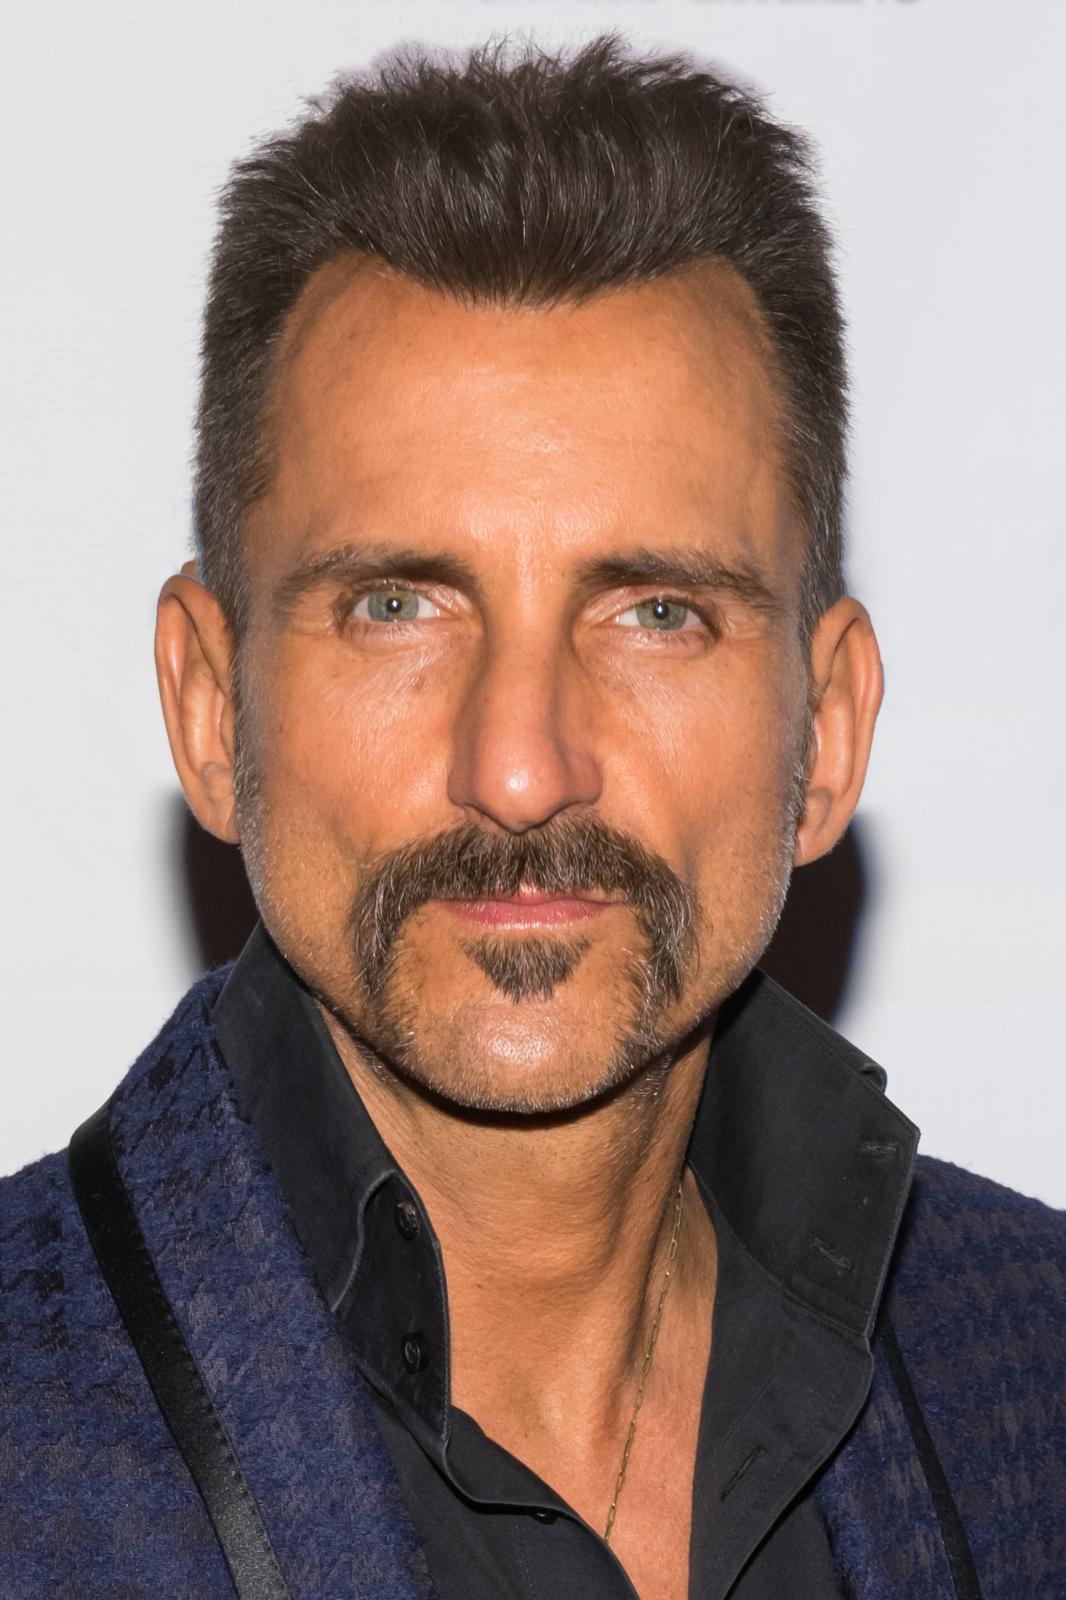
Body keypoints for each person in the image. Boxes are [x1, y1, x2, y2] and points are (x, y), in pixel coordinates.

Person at [1, 30, 1062, 1600]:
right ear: (212, 707)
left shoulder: (1030, 1372)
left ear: (827, 733)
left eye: (655, 613)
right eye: (395, 606)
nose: (518, 766)